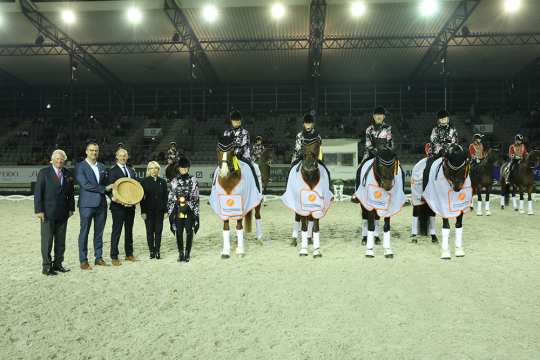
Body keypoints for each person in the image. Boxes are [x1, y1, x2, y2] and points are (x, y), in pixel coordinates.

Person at [34, 149, 75, 276]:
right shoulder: (44, 173)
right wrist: (39, 210)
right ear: (52, 160)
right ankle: (46, 267)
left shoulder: (68, 173)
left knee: (60, 241)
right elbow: (38, 193)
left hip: (63, 213)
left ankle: (58, 264)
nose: (59, 160)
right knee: (47, 241)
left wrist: (71, 208)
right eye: (57, 158)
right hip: (47, 212)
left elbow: (71, 194)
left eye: (62, 159)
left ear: (64, 160)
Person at [75, 142, 114, 270]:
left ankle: (98, 257)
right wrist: (104, 189)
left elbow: (108, 185)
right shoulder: (80, 167)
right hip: (86, 205)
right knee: (84, 232)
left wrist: (113, 196)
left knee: (99, 233)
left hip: (101, 205)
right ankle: (83, 260)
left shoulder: (102, 166)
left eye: (96, 150)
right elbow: (85, 184)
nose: (94, 153)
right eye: (91, 150)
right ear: (86, 151)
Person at [107, 148, 138, 266]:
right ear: (116, 157)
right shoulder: (112, 171)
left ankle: (129, 254)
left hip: (130, 206)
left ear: (127, 157)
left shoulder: (131, 170)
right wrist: (113, 198)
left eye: (125, 155)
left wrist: (135, 199)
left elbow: (135, 187)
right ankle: (114, 256)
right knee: (117, 231)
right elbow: (109, 188)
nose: (123, 158)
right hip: (118, 207)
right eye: (121, 156)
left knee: (129, 231)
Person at [168, 157, 200, 263]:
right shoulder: (174, 181)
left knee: (189, 232)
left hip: (189, 211)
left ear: (188, 168)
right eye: (182, 168)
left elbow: (195, 196)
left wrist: (187, 204)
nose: (184, 170)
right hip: (178, 210)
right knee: (179, 232)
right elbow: (171, 196)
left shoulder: (193, 179)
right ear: (179, 168)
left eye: (186, 168)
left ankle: (187, 253)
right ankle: (180, 253)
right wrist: (177, 203)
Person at [223, 110, 261, 191]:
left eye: (238, 121)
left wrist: (236, 155)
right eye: (235, 121)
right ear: (231, 121)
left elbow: (245, 146)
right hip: (229, 157)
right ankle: (214, 194)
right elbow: (225, 146)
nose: (236, 122)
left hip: (243, 157)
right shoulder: (226, 133)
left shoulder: (245, 132)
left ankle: (258, 192)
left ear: (240, 121)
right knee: (217, 171)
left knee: (253, 169)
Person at [423, 109, 459, 188]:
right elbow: (433, 140)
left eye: (445, 118)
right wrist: (440, 149)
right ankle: (425, 190)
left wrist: (447, 148)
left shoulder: (452, 130)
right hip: (436, 153)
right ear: (439, 120)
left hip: (450, 153)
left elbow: (454, 141)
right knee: (427, 169)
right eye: (442, 118)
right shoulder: (435, 129)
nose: (443, 120)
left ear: (448, 119)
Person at [140, 161, 168, 259]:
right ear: (148, 170)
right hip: (148, 211)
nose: (153, 170)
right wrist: (142, 212)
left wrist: (166, 211)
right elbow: (142, 199)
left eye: (155, 168)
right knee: (149, 231)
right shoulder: (143, 182)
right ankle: (151, 250)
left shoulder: (163, 182)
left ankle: (157, 251)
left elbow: (165, 197)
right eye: (151, 168)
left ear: (158, 170)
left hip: (160, 211)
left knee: (158, 231)